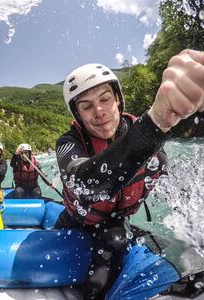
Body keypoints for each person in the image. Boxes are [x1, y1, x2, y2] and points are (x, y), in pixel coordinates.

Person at [54, 49, 204, 300]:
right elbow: (85, 184)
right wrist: (158, 120)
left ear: (118, 101)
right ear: (77, 115)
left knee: (118, 238)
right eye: (87, 106)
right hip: (74, 225)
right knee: (108, 253)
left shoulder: (151, 149)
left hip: (116, 224)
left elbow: (181, 189)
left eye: (105, 99)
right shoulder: (69, 143)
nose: (99, 111)